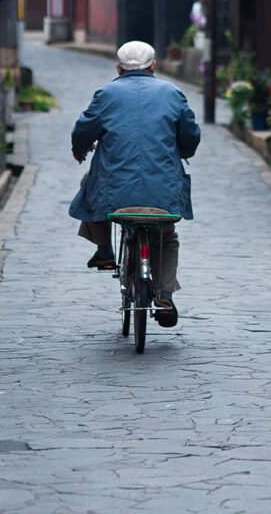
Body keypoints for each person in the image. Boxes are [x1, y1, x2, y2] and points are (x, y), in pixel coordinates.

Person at [69, 39, 200, 326]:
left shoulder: (106, 93)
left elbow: (83, 130)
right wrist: (183, 151)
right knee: (166, 236)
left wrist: (81, 148)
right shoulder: (172, 92)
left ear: (118, 67)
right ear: (154, 65)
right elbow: (190, 135)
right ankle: (164, 295)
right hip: (162, 191)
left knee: (89, 184)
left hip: (114, 191)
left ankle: (104, 250)